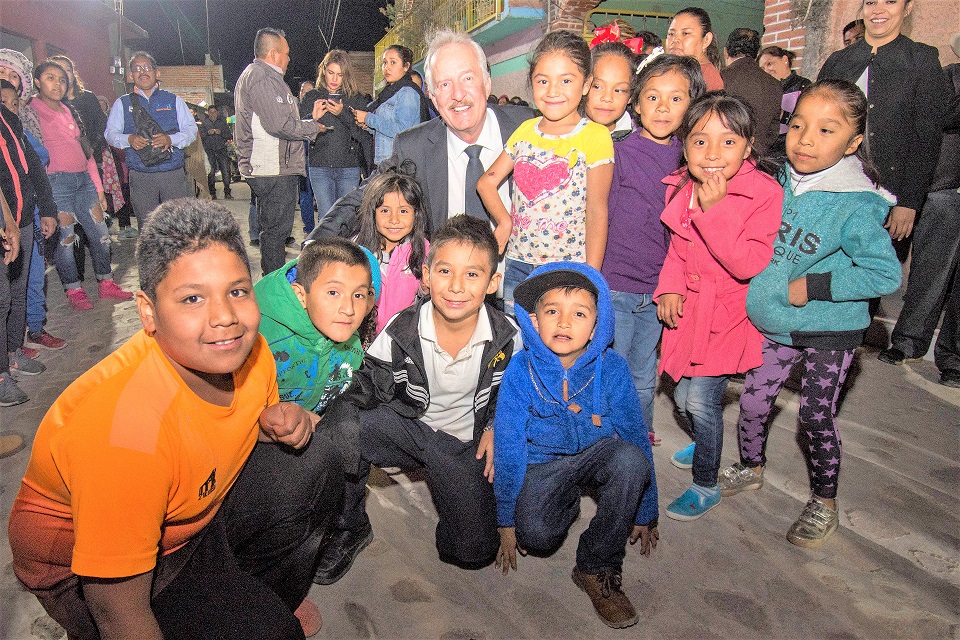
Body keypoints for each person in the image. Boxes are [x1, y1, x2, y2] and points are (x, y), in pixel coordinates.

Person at [8, 199, 345, 639]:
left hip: (186, 523)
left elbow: (226, 429)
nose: (225, 317)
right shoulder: (126, 434)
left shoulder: (252, 351)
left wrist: (277, 422)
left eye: (237, 291)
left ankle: (251, 599)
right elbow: (117, 613)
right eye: (192, 298)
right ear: (148, 312)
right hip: (86, 575)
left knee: (317, 457)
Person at [720, 79, 901, 546]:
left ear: (853, 143)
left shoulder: (858, 204)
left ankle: (824, 502)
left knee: (815, 418)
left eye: (826, 130)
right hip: (775, 325)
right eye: (798, 125)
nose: (805, 139)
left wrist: (819, 285)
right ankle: (750, 466)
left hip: (829, 331)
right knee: (754, 403)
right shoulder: (778, 180)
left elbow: (884, 276)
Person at [313, 215, 518, 585]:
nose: (456, 286)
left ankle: (450, 483)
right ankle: (350, 526)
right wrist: (334, 412)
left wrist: (495, 426)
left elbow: (522, 393)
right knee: (344, 427)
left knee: (473, 551)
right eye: (444, 271)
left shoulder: (510, 338)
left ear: (493, 283)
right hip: (410, 427)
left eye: (472, 274)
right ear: (425, 275)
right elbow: (369, 378)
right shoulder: (403, 328)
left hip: (465, 445)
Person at [492, 261, 659, 629]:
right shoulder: (521, 370)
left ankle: (596, 565)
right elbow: (509, 446)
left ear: (597, 326)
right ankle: (566, 504)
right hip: (542, 463)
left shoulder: (612, 368)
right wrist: (506, 518)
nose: (564, 323)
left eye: (579, 313)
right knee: (536, 535)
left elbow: (635, 435)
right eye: (552, 311)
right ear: (534, 321)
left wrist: (646, 508)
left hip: (597, 454)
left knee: (630, 460)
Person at [655, 93, 782, 521]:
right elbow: (676, 250)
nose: (712, 154)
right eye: (699, 141)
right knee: (683, 397)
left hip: (726, 315)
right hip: (688, 311)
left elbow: (747, 263)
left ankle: (705, 484)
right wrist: (669, 288)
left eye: (728, 142)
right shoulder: (683, 186)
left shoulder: (763, 193)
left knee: (702, 402)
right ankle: (704, 440)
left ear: (748, 146)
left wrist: (714, 210)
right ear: (684, 145)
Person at [311, 30, 533, 239]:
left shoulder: (528, 128)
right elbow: (365, 196)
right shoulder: (414, 147)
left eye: (467, 78)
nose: (457, 94)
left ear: (486, 84)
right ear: (434, 99)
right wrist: (315, 244)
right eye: (445, 84)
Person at [603, 54, 705, 446]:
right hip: (617, 283)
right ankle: (609, 436)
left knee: (645, 373)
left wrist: (674, 284)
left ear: (691, 103)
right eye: (653, 97)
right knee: (615, 367)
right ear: (636, 103)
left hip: (662, 289)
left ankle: (639, 435)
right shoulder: (619, 153)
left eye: (676, 98)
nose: (663, 108)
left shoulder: (692, 156)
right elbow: (602, 215)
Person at [478, 30, 614, 311]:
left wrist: (592, 276)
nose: (552, 91)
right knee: (518, 343)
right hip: (518, 265)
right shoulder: (526, 131)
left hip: (568, 271)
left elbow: (597, 209)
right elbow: (486, 182)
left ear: (586, 84)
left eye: (566, 80)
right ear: (531, 83)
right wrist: (505, 222)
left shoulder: (595, 136)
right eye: (543, 81)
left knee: (560, 348)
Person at [818, 0, 950, 255]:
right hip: (832, 188)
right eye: (870, 2)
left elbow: (927, 137)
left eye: (890, 1)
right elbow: (816, 124)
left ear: (908, 7)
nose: (878, 9)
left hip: (887, 196)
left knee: (868, 278)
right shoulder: (839, 61)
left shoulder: (921, 59)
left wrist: (909, 202)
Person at [879, 54, 960, 387]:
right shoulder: (949, 77)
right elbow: (935, 117)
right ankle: (908, 343)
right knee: (930, 272)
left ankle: (953, 360)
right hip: (947, 191)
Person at [30, 61, 133, 311]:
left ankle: (106, 283)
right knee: (66, 240)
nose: (57, 84)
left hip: (84, 182)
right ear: (36, 82)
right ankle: (74, 289)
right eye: (50, 78)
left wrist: (98, 188)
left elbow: (86, 153)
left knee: (101, 235)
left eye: (62, 80)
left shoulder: (70, 110)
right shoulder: (31, 110)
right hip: (56, 184)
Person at [234, 27, 327, 275]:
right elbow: (278, 125)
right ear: (274, 54)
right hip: (272, 167)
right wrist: (312, 126)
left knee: (274, 230)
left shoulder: (263, 77)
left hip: (273, 166)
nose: (288, 59)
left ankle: (271, 281)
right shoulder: (262, 77)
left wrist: (308, 121)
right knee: (276, 231)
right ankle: (272, 287)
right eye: (286, 53)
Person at [255, 236, 376, 413]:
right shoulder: (263, 341)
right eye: (334, 292)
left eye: (358, 295)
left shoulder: (350, 338)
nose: (349, 309)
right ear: (301, 295)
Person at [0, 79, 66, 355]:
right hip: (7, 226)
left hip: (24, 220)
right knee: (4, 298)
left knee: (20, 289)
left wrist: (48, 210)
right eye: (3, 104)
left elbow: (36, 174)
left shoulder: (19, 134)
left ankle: (15, 351)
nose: (8, 109)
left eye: (14, 104)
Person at [105, 51, 198, 233]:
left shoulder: (173, 100)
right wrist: (129, 139)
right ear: (131, 76)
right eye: (137, 69)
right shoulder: (122, 103)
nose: (143, 72)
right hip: (141, 176)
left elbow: (191, 130)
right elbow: (110, 134)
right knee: (148, 228)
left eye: (147, 67)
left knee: (178, 226)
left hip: (172, 174)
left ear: (157, 73)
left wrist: (171, 139)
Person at [352, 162, 429, 334]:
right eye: (385, 211)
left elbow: (424, 300)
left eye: (403, 211)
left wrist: (425, 288)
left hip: (405, 337)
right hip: (363, 336)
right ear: (373, 213)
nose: (394, 220)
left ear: (416, 215)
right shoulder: (356, 250)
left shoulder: (424, 250)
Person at [300, 51, 368, 233]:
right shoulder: (312, 97)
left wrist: (343, 113)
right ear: (323, 71)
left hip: (349, 167)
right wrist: (312, 119)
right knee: (325, 217)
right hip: (320, 166)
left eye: (340, 74)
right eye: (331, 73)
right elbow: (297, 130)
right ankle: (327, 259)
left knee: (346, 218)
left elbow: (362, 133)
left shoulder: (356, 98)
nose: (335, 79)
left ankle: (344, 259)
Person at [353, 45, 429, 165]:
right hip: (385, 162)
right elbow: (387, 129)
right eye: (384, 63)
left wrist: (369, 118)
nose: (387, 67)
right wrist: (368, 126)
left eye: (393, 62)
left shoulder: (407, 92)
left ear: (406, 66)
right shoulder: (389, 92)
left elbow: (403, 131)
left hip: (399, 163)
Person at [720, 28, 782, 155]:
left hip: (725, 156)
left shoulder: (721, 78)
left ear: (725, 52)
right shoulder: (774, 84)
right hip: (760, 157)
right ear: (758, 54)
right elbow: (773, 131)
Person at [758, 45, 813, 145]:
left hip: (793, 144)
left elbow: (810, 120)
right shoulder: (764, 90)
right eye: (762, 68)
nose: (766, 70)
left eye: (769, 64)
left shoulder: (803, 85)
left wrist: (784, 115)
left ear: (785, 60)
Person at [583, 41, 637, 141]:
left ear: (630, 96)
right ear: (584, 85)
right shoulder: (561, 133)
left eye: (619, 90)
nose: (607, 98)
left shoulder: (637, 142)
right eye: (597, 87)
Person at [665, 7, 724, 91]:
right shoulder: (675, 70)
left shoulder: (709, 79)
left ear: (706, 40)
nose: (675, 40)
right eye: (671, 34)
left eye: (685, 33)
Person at [200, 105, 233, 200]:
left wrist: (221, 132)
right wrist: (207, 133)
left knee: (226, 171)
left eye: (214, 112)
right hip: (209, 151)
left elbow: (229, 136)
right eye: (211, 112)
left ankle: (227, 192)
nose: (213, 114)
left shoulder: (222, 123)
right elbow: (201, 136)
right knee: (210, 172)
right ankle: (212, 193)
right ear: (208, 113)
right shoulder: (204, 124)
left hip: (221, 150)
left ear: (217, 113)